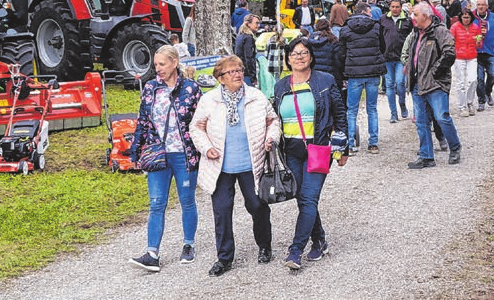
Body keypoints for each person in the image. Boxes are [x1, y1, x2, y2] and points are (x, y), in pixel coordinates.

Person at [189, 55, 281, 277]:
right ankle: (224, 258)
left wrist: (271, 138)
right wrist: (206, 147)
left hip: (252, 162)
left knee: (258, 206)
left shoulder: (256, 97)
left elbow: (273, 121)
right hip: (219, 165)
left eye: (239, 69)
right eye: (231, 72)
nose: (237, 74)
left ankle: (264, 245)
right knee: (221, 212)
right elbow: (196, 127)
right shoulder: (209, 100)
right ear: (220, 78)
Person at [272, 38, 349, 270]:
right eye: (294, 53)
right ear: (287, 59)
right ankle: (319, 239)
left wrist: (343, 148)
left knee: (308, 198)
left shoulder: (325, 80)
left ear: (311, 57)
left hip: (318, 148)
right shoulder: (281, 86)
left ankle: (295, 251)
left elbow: (340, 114)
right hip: (291, 151)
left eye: (304, 52)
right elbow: (275, 118)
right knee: (301, 198)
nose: (299, 57)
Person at [129, 45, 203, 272]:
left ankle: (188, 244)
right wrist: (135, 149)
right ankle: (152, 253)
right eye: (155, 65)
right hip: (157, 153)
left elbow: (201, 121)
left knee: (187, 200)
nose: (157, 69)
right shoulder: (150, 88)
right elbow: (143, 120)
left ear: (174, 62)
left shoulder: (191, 88)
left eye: (161, 64)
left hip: (183, 153)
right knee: (156, 203)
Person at [404, 0, 461, 169]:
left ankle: (455, 147)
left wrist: (434, 73)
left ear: (426, 16)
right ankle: (426, 156)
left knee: (441, 117)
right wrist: (408, 67)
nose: (412, 17)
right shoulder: (415, 33)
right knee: (421, 122)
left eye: (415, 14)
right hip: (417, 84)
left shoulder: (440, 31)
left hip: (435, 84)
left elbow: (449, 54)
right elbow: (410, 53)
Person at [339, 1, 385, 154]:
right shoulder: (376, 26)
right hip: (372, 70)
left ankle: (350, 144)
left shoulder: (346, 29)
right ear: (365, 11)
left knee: (352, 109)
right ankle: (373, 143)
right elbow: (382, 47)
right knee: (372, 108)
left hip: (354, 72)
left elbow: (342, 52)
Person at [379, 0, 411, 123]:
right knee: (389, 85)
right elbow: (379, 36)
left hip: (400, 58)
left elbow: (411, 38)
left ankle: (402, 103)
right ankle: (393, 113)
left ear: (401, 7)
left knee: (400, 82)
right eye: (393, 7)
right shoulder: (383, 19)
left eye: (397, 7)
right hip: (387, 57)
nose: (395, 9)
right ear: (389, 7)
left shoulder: (407, 21)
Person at [449, 9, 482, 117]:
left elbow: (479, 44)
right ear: (460, 17)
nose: (466, 19)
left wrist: (478, 42)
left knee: (473, 80)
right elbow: (450, 41)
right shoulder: (455, 27)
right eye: (464, 17)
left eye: (468, 17)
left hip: (472, 56)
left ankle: (470, 102)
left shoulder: (475, 28)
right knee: (460, 83)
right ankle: (462, 107)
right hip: (459, 57)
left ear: (471, 18)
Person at [473, 0, 494, 112]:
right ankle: (481, 101)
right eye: (478, 4)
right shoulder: (472, 18)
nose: (480, 7)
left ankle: (488, 92)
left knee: (493, 75)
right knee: (479, 78)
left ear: (487, 6)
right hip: (477, 53)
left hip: (490, 51)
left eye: (482, 5)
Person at [308, 19, 344, 94]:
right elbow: (338, 61)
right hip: (331, 76)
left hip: (313, 76)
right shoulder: (333, 41)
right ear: (329, 27)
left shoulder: (309, 41)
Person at [233, 14, 260, 87]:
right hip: (247, 74)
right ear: (248, 24)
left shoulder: (240, 35)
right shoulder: (248, 38)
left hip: (240, 71)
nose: (258, 25)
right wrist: (253, 77)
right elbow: (249, 58)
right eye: (256, 23)